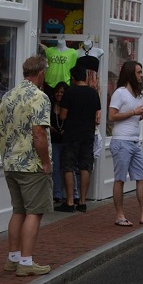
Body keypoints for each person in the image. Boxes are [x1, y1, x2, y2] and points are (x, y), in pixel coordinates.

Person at [0, 55, 53, 276]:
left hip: (10, 162)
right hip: (31, 164)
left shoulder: (8, 95)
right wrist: (46, 162)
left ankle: (12, 258)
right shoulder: (39, 97)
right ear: (40, 73)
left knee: (18, 210)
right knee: (35, 211)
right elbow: (39, 133)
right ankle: (26, 262)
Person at [109, 61, 143, 227]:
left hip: (134, 140)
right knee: (120, 179)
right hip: (121, 141)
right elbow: (112, 116)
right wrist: (134, 112)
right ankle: (119, 215)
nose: (141, 76)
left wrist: (140, 116)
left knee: (142, 178)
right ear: (130, 74)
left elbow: (130, 118)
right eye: (139, 72)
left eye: (141, 72)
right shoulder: (120, 93)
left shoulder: (138, 94)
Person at [58, 64, 101, 213]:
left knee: (68, 166)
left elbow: (63, 115)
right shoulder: (93, 93)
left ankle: (70, 201)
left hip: (71, 134)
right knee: (85, 167)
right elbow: (98, 117)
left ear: (74, 78)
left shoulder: (69, 93)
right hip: (88, 134)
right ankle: (82, 201)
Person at [49, 83, 67, 207]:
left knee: (68, 167)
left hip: (66, 141)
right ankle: (57, 194)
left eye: (62, 92)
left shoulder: (69, 106)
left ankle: (74, 195)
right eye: (57, 91)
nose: (59, 94)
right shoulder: (50, 105)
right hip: (54, 140)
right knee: (55, 168)